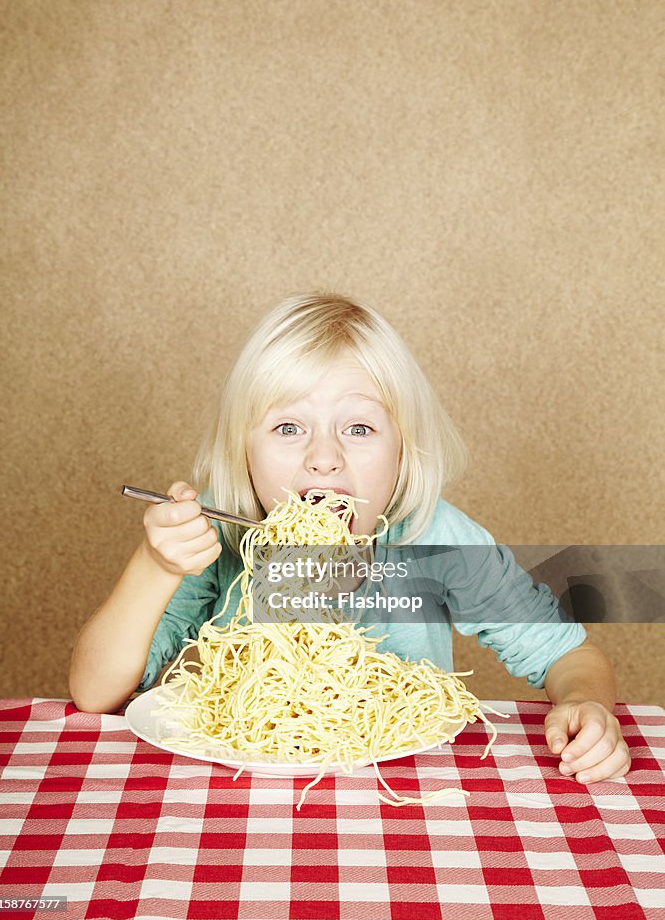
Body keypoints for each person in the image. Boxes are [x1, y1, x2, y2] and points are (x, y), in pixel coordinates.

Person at [70, 291, 631, 784]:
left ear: (403, 449)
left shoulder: (438, 540)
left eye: (358, 428)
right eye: (288, 428)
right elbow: (97, 693)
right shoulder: (219, 538)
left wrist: (586, 704)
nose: (323, 459)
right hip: (243, 792)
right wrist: (155, 566)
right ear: (243, 451)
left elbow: (570, 654)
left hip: (408, 799)